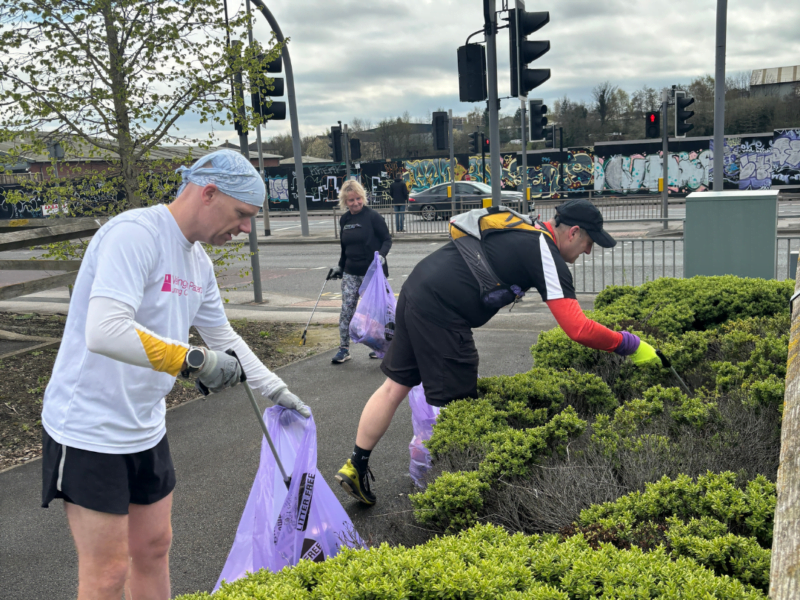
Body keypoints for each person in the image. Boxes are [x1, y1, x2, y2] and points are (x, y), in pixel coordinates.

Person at [40, 149, 310, 600]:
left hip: (145, 426)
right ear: (208, 193)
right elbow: (104, 331)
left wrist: (275, 389)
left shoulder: (197, 261)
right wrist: (193, 361)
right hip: (88, 429)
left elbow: (222, 336)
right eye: (243, 214)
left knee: (154, 547)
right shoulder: (134, 233)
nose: (246, 229)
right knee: (107, 573)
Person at [335, 199, 661, 505]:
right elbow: (578, 328)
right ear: (574, 232)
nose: (589, 252)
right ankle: (451, 493)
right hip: (442, 310)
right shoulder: (543, 251)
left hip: (416, 289)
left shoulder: (524, 230)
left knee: (394, 387)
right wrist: (631, 344)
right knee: (458, 407)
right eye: (590, 243)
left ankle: (356, 465)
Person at [329, 180, 392, 364]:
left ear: (363, 198)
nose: (355, 203)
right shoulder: (345, 219)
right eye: (351, 200)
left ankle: (378, 346)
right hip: (350, 272)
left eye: (358, 199)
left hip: (372, 272)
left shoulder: (373, 217)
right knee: (347, 310)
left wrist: (382, 255)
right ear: (345, 202)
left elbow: (387, 240)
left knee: (376, 312)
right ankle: (343, 349)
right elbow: (343, 247)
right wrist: (340, 266)